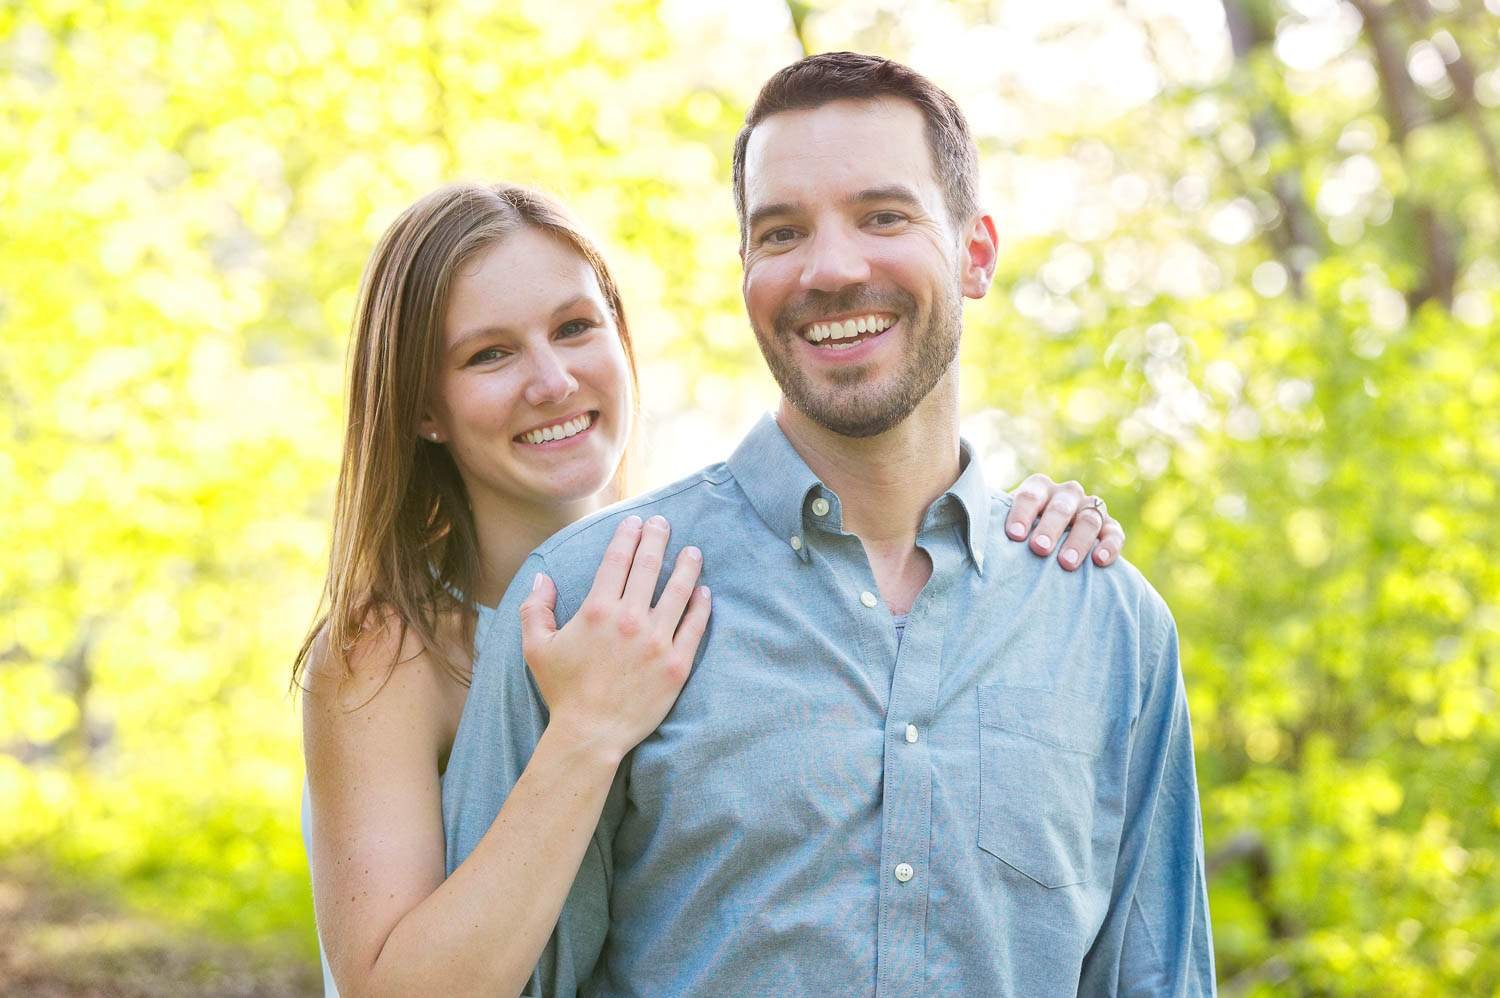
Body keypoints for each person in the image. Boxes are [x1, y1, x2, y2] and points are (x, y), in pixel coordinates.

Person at [445, 52, 1215, 995]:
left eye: (883, 216)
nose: (832, 268)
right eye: (781, 232)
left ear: (974, 252)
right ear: (745, 274)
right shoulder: (593, 599)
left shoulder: (1108, 627)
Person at [296, 183, 1128, 996]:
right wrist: (586, 731)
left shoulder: (708, 582)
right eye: (490, 353)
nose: (551, 381)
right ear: (422, 408)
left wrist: (1011, 533)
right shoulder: (388, 653)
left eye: (576, 328)